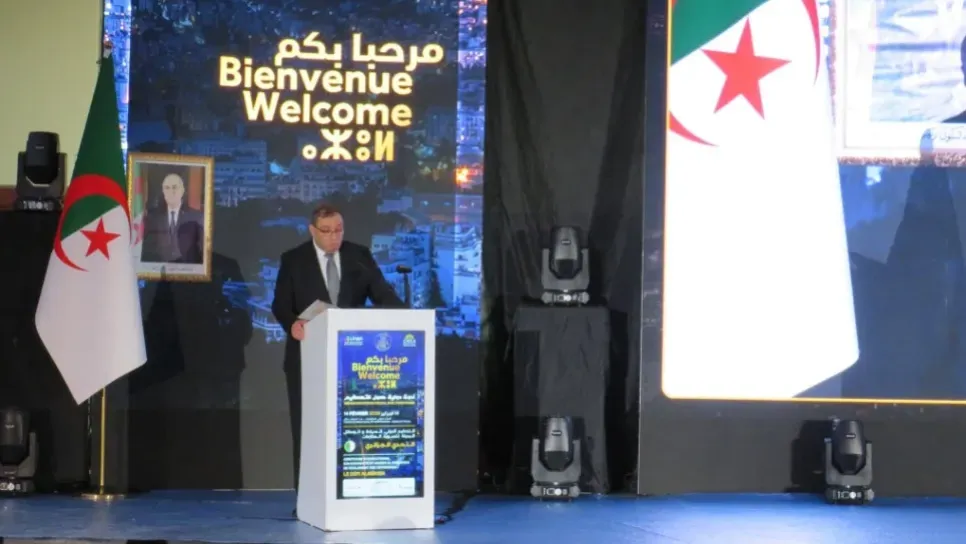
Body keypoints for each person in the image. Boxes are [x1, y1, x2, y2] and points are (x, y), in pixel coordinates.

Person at [271, 203, 404, 506]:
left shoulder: (359, 256)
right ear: (313, 230)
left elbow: (383, 295)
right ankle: (308, 499)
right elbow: (280, 304)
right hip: (306, 358)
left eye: (339, 230)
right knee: (307, 429)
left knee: (351, 428)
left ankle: (351, 495)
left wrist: (405, 316)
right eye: (327, 231)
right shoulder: (294, 259)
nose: (334, 237)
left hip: (352, 361)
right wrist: (292, 324)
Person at [141, 173, 204, 264]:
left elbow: (200, 251)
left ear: (182, 190)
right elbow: (148, 250)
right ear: (163, 191)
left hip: (187, 269)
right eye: (167, 188)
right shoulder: (153, 217)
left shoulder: (196, 217)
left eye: (175, 187)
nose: (171, 191)